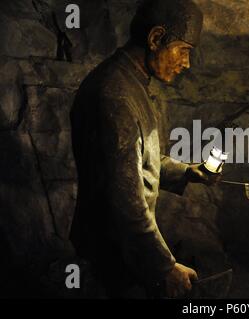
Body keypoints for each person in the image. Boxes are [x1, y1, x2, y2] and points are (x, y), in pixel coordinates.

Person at [70, 0, 212, 298]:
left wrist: (187, 171)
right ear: (155, 38)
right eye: (184, 50)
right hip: (113, 250)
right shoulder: (115, 95)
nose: (186, 63)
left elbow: (136, 159)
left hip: (123, 247)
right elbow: (123, 196)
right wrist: (163, 266)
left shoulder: (129, 82)